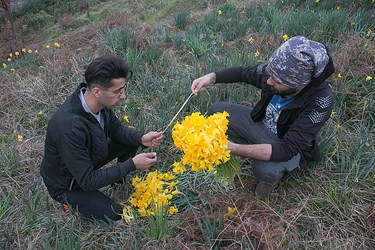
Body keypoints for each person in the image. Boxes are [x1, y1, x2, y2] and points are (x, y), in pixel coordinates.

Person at [191, 36, 335, 196]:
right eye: (270, 74)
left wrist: (233, 148)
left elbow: (287, 148)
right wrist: (211, 77)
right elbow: (243, 73)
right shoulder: (275, 73)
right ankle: (254, 145)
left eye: (277, 80)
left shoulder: (321, 101)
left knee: (264, 169)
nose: (268, 81)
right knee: (217, 111)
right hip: (263, 125)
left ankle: (271, 178)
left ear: (298, 84)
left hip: (284, 143)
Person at [40, 55, 163, 221]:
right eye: (118, 91)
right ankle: (69, 202)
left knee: (130, 140)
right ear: (97, 91)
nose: (123, 96)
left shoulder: (99, 103)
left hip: (88, 159)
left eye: (123, 89)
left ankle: (118, 181)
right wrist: (131, 165)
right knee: (116, 214)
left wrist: (141, 138)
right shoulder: (68, 128)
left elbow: (116, 129)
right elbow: (87, 180)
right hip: (69, 183)